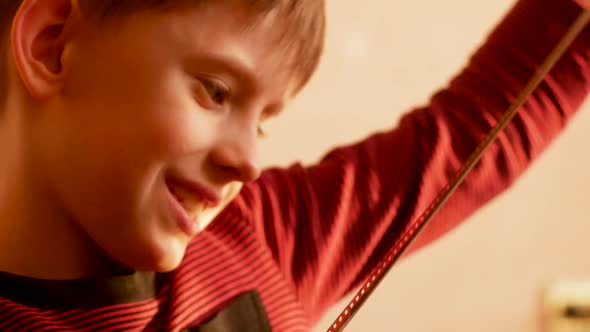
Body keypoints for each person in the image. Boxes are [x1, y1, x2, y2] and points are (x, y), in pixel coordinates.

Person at [0, 0, 588, 331]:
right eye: (216, 91)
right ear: (53, 45)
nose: (249, 162)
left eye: (263, 122)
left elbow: (470, 136)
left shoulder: (262, 236)